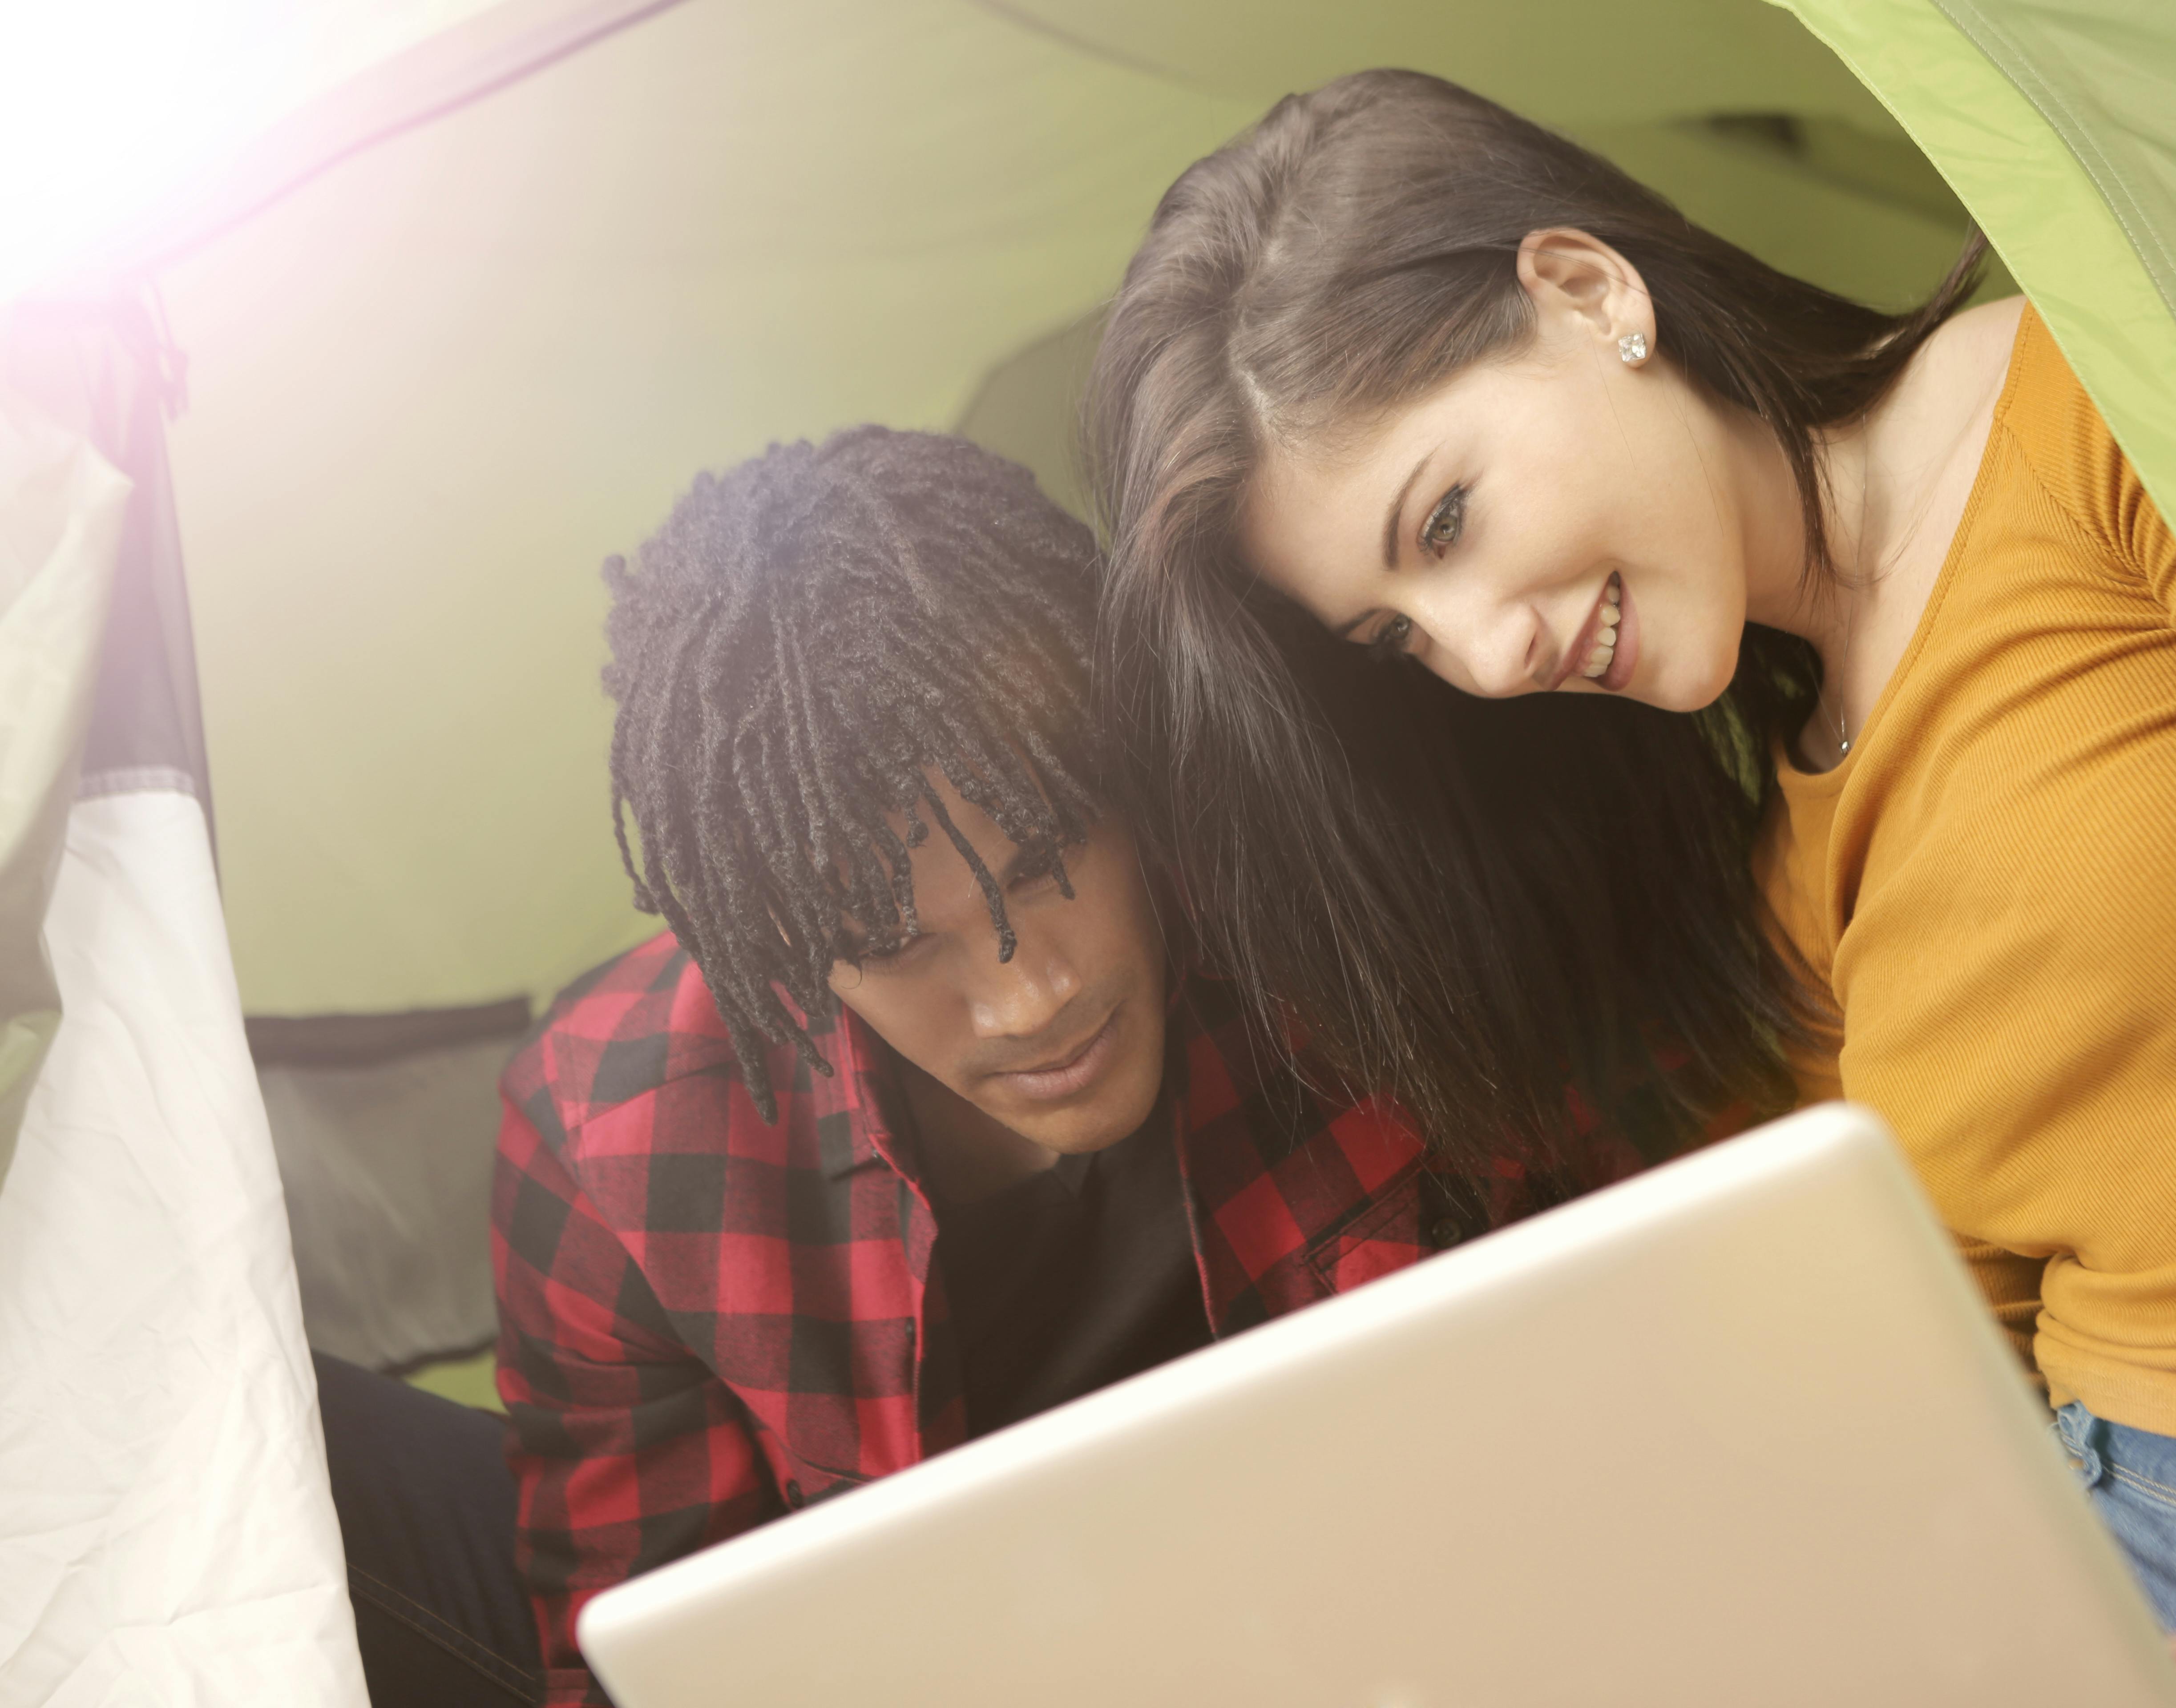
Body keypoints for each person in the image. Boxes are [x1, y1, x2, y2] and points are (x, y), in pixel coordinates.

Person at [1081, 69, 2176, 1708]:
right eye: (1399, 638)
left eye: (1447, 517)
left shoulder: (2104, 414)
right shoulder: (1788, 835)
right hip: (2117, 1586)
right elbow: (1936, 1361)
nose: (1487, 656)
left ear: (1587, 294)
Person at [468, 427, 1674, 1707]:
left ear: (1116, 752)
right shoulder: (613, 1137)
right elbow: (640, 1670)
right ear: (780, 952)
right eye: (895, 945)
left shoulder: (1353, 879)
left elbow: (1668, 1299)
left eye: (1049, 861)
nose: (1029, 997)